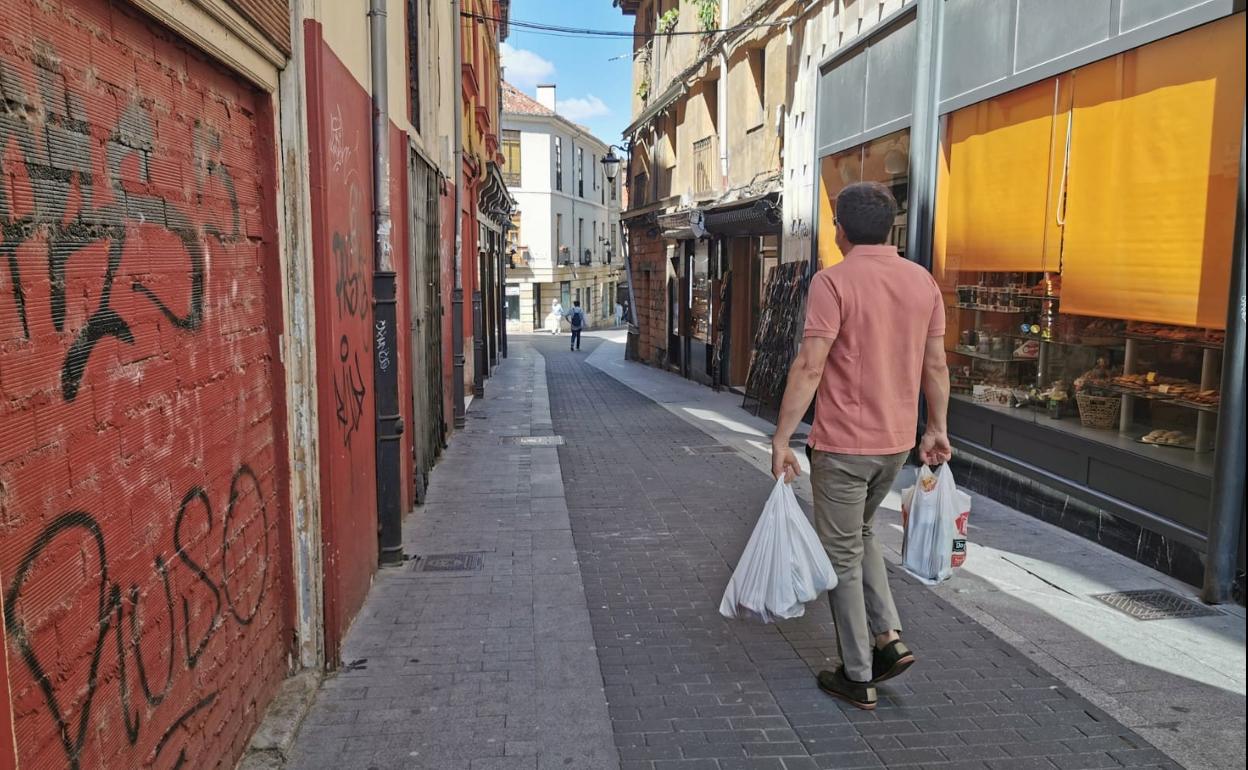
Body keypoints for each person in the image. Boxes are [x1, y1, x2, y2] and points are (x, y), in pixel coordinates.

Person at [769, 181, 952, 711]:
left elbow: (810, 365)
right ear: (891, 227)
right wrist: (936, 429)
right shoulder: (923, 282)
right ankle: (887, 638)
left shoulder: (833, 282)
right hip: (895, 444)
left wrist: (782, 438)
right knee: (862, 533)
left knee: (841, 554)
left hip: (844, 447)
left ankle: (857, 673)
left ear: (840, 229)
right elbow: (935, 365)